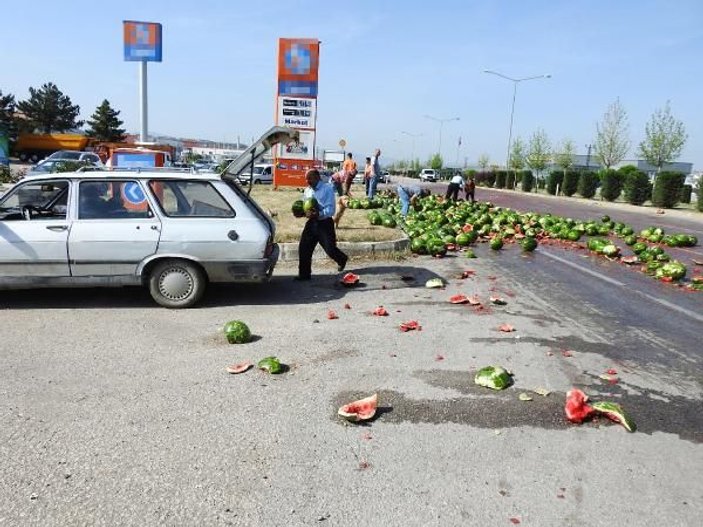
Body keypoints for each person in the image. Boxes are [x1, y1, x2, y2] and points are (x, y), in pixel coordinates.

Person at [296, 169, 348, 281]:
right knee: (304, 248)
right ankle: (304, 275)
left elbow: (331, 210)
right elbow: (305, 206)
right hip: (312, 223)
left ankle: (342, 259)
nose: (307, 181)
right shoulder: (307, 191)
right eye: (306, 179)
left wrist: (319, 213)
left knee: (330, 249)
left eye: (309, 178)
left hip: (325, 223)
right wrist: (301, 212)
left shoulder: (327, 189)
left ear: (317, 177)